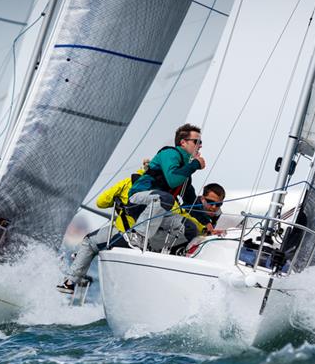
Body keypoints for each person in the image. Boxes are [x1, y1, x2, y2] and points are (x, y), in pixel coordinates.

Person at [56, 160, 150, 294]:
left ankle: (70, 281)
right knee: (99, 242)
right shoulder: (163, 192)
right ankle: (80, 264)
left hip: (124, 234)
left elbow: (101, 202)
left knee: (89, 241)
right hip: (150, 239)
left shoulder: (129, 182)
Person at [126, 123, 206, 252]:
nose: (200, 145)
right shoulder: (169, 153)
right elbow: (172, 180)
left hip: (159, 209)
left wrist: (208, 224)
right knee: (165, 198)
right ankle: (136, 236)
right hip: (138, 201)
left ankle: (155, 248)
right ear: (183, 142)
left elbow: (190, 200)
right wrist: (195, 164)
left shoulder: (185, 170)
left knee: (190, 228)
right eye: (197, 141)